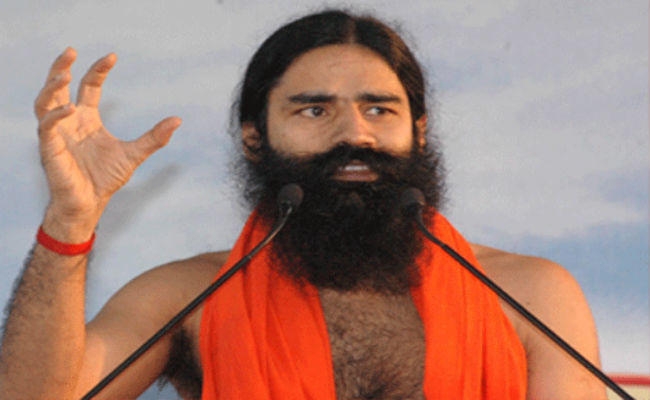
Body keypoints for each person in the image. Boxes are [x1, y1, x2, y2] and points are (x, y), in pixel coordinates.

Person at [0, 9, 607, 400]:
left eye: (379, 109)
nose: (355, 134)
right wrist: (70, 220)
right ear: (254, 138)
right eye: (314, 110)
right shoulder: (190, 295)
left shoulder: (530, 294)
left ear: (419, 133)